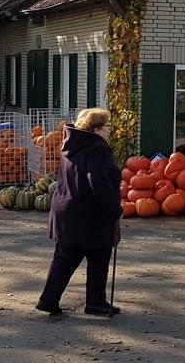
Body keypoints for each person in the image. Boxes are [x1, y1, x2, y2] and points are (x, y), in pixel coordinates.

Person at [36, 107, 123, 317]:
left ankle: (49, 299)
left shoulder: (71, 144)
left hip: (67, 208)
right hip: (90, 212)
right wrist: (113, 207)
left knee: (65, 257)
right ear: (97, 129)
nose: (110, 130)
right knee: (99, 256)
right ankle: (95, 302)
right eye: (108, 126)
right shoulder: (97, 148)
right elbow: (97, 180)